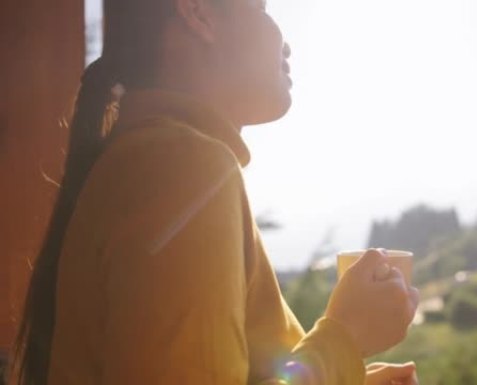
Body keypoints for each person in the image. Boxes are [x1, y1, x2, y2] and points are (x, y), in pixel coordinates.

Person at [10, 1, 420, 384]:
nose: (286, 42)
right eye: (261, 7)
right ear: (199, 12)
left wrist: (346, 374)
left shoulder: (148, 160)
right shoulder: (184, 168)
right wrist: (345, 337)